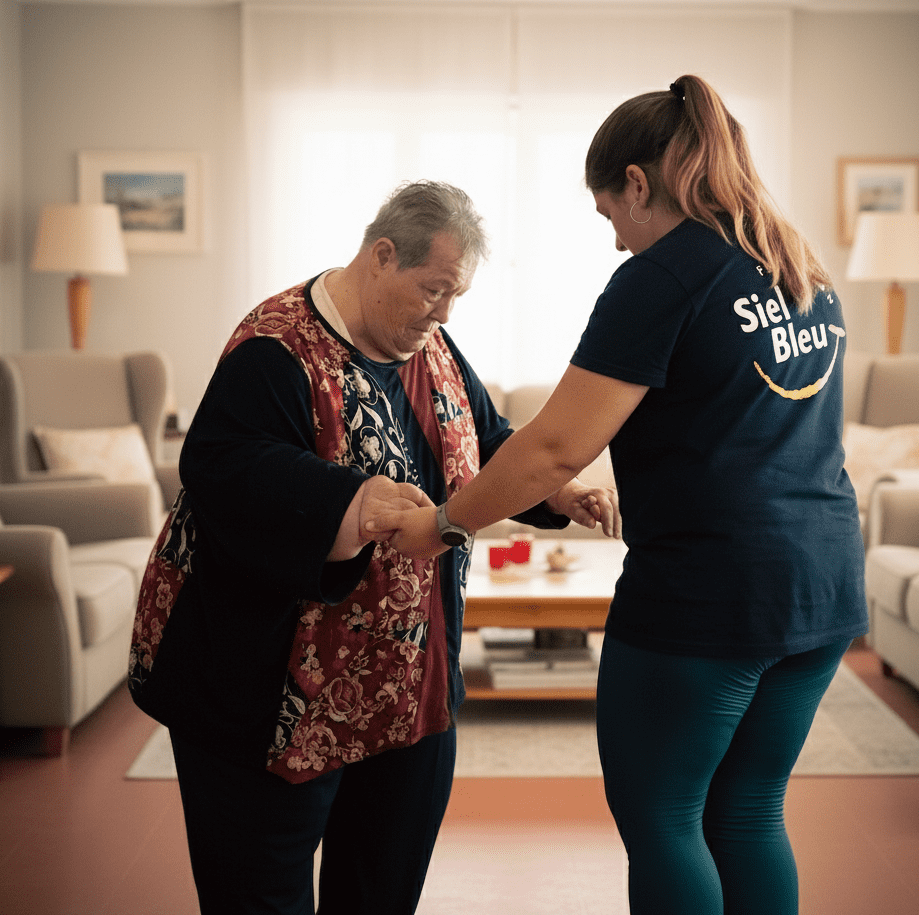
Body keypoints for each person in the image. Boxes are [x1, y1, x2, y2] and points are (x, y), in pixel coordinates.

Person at [368, 77, 868, 915]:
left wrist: (442, 523)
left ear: (638, 184)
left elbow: (556, 446)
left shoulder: (664, 278)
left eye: (610, 216)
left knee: (662, 814)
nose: (615, 244)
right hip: (821, 583)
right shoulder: (795, 264)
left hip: (709, 594)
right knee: (747, 811)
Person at [128, 179, 618, 915]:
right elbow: (225, 469)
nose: (445, 312)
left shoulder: (429, 342)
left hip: (408, 694)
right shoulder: (275, 347)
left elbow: (485, 439)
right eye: (433, 289)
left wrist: (554, 491)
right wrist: (350, 504)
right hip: (268, 702)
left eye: (457, 294)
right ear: (382, 255)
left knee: (381, 894)